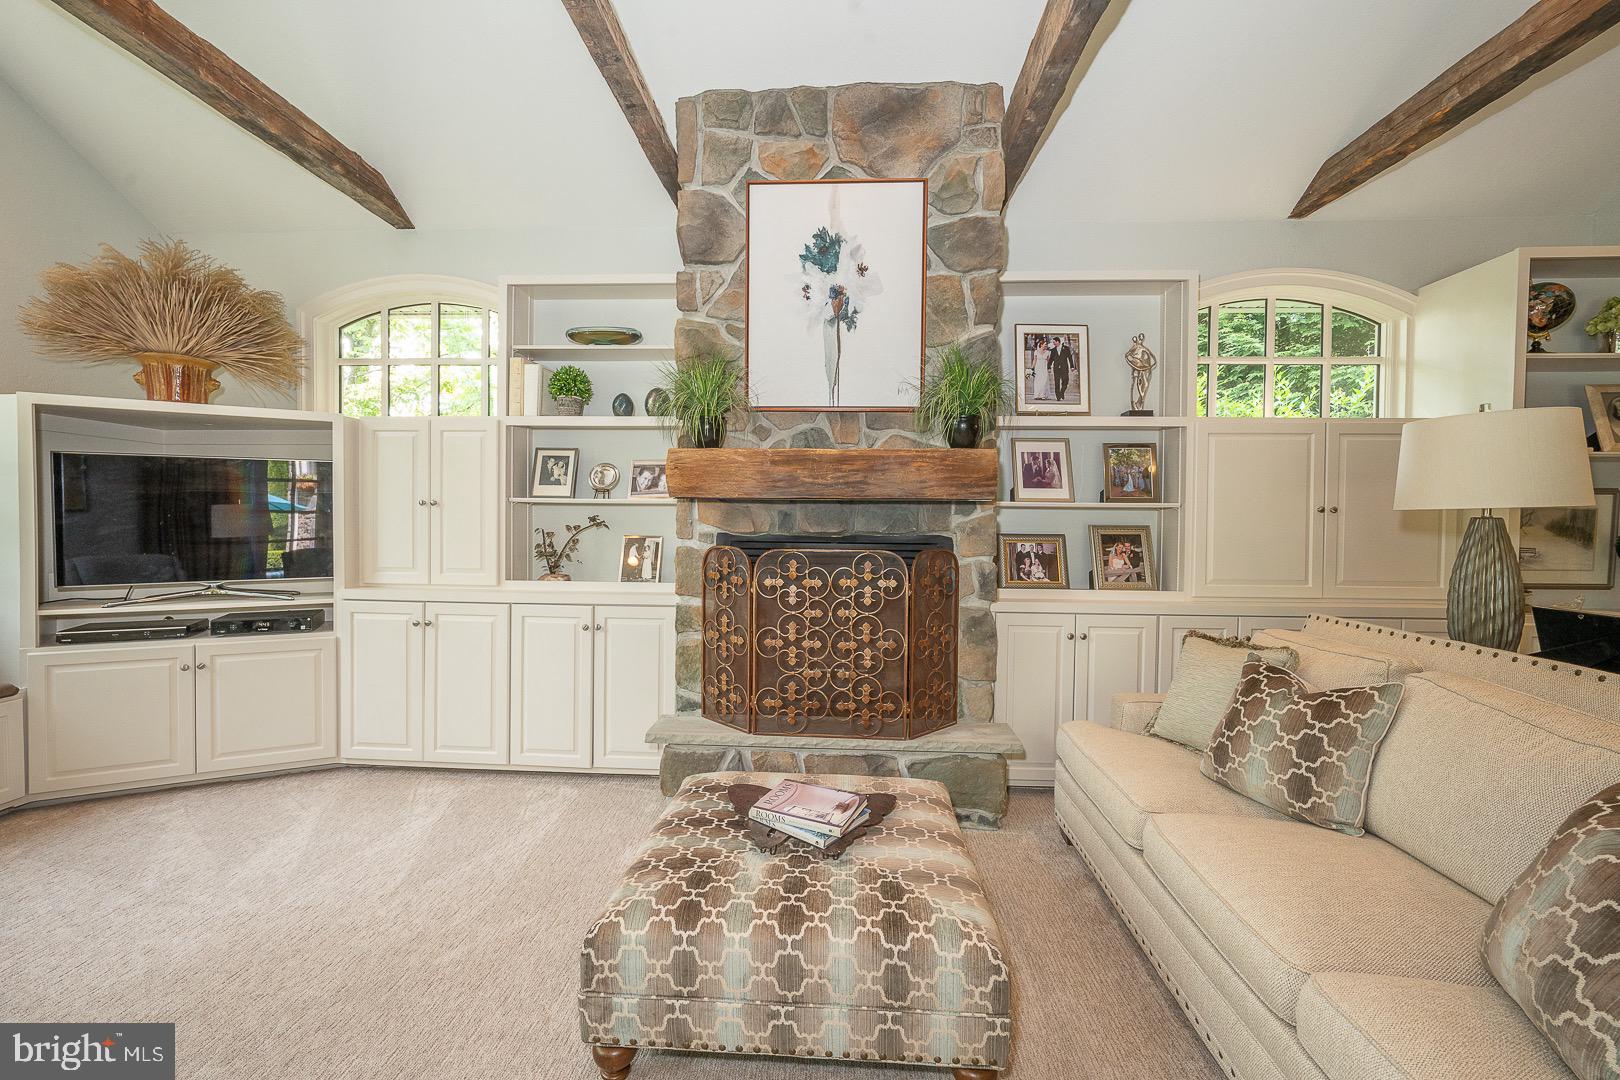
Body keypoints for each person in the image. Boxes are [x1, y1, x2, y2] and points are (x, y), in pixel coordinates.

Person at [1053, 336, 1073, 402]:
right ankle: (1058, 396)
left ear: (1058, 341)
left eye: (1054, 342)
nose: (1053, 343)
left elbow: (1070, 357)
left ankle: (1062, 392)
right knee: (1057, 383)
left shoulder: (1066, 348)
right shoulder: (1053, 350)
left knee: (1065, 381)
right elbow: (1051, 359)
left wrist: (1072, 366)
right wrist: (1049, 366)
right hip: (1056, 369)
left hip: (1064, 368)